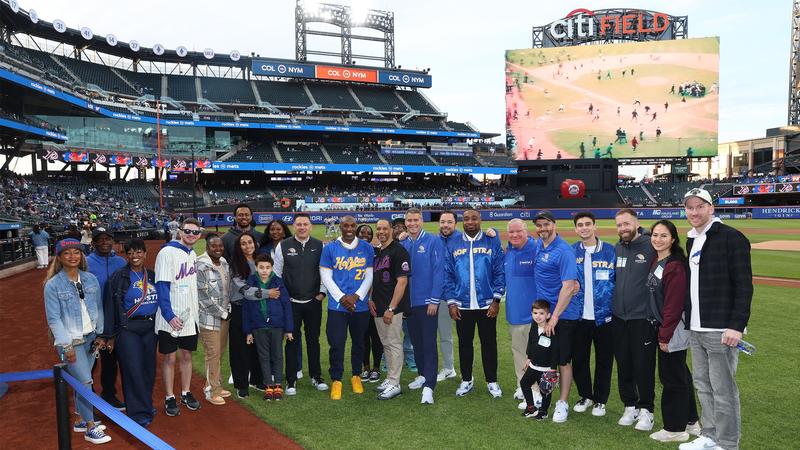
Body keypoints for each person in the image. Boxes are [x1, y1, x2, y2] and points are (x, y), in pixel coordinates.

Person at [680, 188, 752, 450]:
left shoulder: (732, 237)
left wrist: (737, 325)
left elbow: (744, 286)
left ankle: (728, 442)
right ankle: (709, 435)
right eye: (690, 207)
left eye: (700, 206)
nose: (694, 212)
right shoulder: (692, 240)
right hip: (696, 327)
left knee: (723, 391)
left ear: (711, 208)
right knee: (703, 386)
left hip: (721, 329)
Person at [44, 239, 112, 444]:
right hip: (71, 341)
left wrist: (101, 334)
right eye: (67, 253)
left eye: (76, 252)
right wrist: (66, 345)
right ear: (59, 257)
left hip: (91, 336)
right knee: (85, 382)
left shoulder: (90, 279)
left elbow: (98, 308)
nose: (73, 257)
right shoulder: (53, 285)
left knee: (83, 379)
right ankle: (91, 428)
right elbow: (53, 319)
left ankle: (81, 419)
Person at [646, 220, 700, 443]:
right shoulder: (657, 259)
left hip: (672, 326)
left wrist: (665, 335)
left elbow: (674, 304)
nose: (658, 239)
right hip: (664, 324)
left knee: (671, 378)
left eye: (663, 236)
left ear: (673, 239)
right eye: (655, 235)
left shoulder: (675, 265)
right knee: (680, 373)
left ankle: (675, 429)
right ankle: (691, 421)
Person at [444, 209, 505, 398]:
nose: (470, 222)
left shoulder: (490, 240)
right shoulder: (453, 243)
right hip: (462, 305)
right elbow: (448, 274)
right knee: (464, 344)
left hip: (486, 304)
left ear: (481, 220)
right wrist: (451, 303)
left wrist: (496, 300)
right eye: (466, 219)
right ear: (462, 221)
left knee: (489, 343)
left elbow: (499, 272)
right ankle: (466, 379)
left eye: (474, 218)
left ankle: (492, 381)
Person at [102, 239, 157, 427]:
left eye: (138, 252)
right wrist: (109, 335)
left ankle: (146, 404)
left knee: (148, 370)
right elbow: (109, 307)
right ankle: (139, 413)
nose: (135, 256)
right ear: (126, 255)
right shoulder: (119, 277)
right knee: (132, 370)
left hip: (150, 328)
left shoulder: (152, 275)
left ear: (145, 253)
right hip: (128, 329)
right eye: (130, 253)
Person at [273, 213, 329, 395]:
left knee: (313, 340)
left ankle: (316, 376)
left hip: (313, 301)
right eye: (299, 224)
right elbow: (277, 274)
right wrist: (284, 298)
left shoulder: (320, 245)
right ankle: (291, 380)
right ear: (294, 226)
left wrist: (321, 293)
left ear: (311, 226)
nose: (302, 227)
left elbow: (325, 271)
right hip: (291, 303)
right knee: (291, 341)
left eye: (305, 224)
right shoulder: (283, 245)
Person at [320, 216, 375, 400]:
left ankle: (356, 375)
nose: (349, 228)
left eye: (352, 225)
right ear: (340, 227)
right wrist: (342, 297)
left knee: (359, 342)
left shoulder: (367, 248)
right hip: (337, 306)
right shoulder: (330, 248)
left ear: (356, 227)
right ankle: (336, 379)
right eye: (346, 225)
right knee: (337, 343)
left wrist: (357, 296)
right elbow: (326, 276)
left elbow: (369, 276)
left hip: (359, 306)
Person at [531, 211, 579, 423]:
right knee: (547, 358)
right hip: (546, 315)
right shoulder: (538, 247)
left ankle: (563, 402)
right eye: (539, 225)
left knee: (563, 360)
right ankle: (545, 396)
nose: (543, 228)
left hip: (563, 315)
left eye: (546, 224)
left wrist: (555, 317)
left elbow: (569, 286)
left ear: (555, 224)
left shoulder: (564, 250)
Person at [613, 208, 658, 431]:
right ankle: (629, 405)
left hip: (643, 318)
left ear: (637, 223)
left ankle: (646, 410)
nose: (623, 228)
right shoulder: (618, 247)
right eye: (619, 225)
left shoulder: (651, 246)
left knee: (643, 365)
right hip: (619, 318)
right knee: (624, 364)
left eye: (627, 224)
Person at [154, 218, 203, 417]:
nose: (192, 235)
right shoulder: (167, 252)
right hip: (170, 318)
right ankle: (169, 396)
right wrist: (169, 315)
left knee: (186, 355)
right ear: (180, 231)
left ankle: (185, 392)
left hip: (189, 317)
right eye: (188, 231)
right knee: (170, 358)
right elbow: (162, 286)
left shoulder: (192, 255)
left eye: (196, 232)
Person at [570, 212, 615, 418]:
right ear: (576, 229)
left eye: (588, 224)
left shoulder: (610, 251)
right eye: (580, 225)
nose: (584, 228)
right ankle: (585, 396)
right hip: (579, 317)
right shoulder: (571, 252)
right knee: (580, 359)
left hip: (604, 317)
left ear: (595, 226)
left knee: (604, 360)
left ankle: (600, 400)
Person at [401, 209, 445, 404]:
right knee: (416, 342)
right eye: (409, 220)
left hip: (427, 303)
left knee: (428, 344)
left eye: (415, 220)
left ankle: (429, 386)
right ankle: (422, 374)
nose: (412, 223)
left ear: (422, 221)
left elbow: (438, 271)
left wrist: (434, 299)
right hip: (409, 304)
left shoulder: (433, 241)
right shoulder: (403, 242)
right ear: (405, 222)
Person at [243, 254, 294, 401]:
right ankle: (268, 385)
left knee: (277, 355)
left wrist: (289, 329)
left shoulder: (278, 282)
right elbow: (246, 308)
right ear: (256, 268)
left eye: (267, 267)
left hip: (277, 325)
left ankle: (278, 385)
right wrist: (248, 331)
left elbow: (286, 306)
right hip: (259, 326)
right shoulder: (251, 282)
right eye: (261, 267)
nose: (264, 271)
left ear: (272, 268)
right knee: (264, 356)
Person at [87, 228, 128, 411]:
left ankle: (109, 395)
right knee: (89, 363)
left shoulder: (120, 262)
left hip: (115, 320)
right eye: (100, 239)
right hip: (92, 321)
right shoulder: (86, 263)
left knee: (111, 361)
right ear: (93, 242)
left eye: (108, 239)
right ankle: (87, 400)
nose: (104, 242)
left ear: (113, 241)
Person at [370, 219, 411, 400]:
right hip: (378, 305)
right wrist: (371, 299)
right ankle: (390, 378)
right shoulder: (379, 252)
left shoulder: (399, 251)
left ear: (391, 230)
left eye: (385, 228)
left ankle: (395, 383)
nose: (381, 231)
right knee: (386, 342)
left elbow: (402, 282)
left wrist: (391, 308)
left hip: (391, 307)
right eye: (378, 229)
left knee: (393, 343)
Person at [504, 219, 538, 409]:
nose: (515, 235)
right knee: (518, 352)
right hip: (514, 313)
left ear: (526, 231)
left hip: (535, 315)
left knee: (536, 356)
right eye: (511, 232)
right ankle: (522, 385)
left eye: (519, 231)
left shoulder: (536, 249)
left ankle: (536, 391)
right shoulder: (508, 252)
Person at [196, 234, 232, 405]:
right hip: (209, 318)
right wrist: (223, 313)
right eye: (213, 246)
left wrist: (228, 309)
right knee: (213, 354)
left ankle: (217, 386)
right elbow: (203, 296)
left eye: (220, 246)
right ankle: (210, 391)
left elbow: (227, 289)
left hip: (225, 315)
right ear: (207, 247)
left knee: (220, 353)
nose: (218, 249)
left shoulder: (224, 262)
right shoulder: (201, 265)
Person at [229, 232, 266, 397]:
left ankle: (257, 380)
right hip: (240, 308)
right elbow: (245, 290)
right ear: (239, 246)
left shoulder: (261, 261)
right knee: (240, 348)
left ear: (255, 243)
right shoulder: (235, 264)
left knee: (258, 346)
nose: (247, 246)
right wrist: (268, 293)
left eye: (250, 242)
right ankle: (241, 384)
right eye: (243, 243)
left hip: (258, 309)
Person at [519, 300, 559, 421]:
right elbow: (531, 343)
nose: (538, 316)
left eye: (541, 313)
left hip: (546, 368)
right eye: (535, 313)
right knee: (524, 383)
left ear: (548, 315)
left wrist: (553, 368)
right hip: (533, 366)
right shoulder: (533, 326)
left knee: (545, 391)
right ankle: (531, 407)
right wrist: (529, 358)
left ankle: (543, 411)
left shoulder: (551, 330)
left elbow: (555, 351)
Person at [357, 224, 382, 382]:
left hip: (375, 300)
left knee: (376, 335)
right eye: (362, 232)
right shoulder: (351, 252)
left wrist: (371, 297)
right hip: (358, 301)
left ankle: (376, 368)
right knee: (362, 337)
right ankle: (365, 367)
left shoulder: (377, 253)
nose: (365, 235)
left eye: (368, 233)